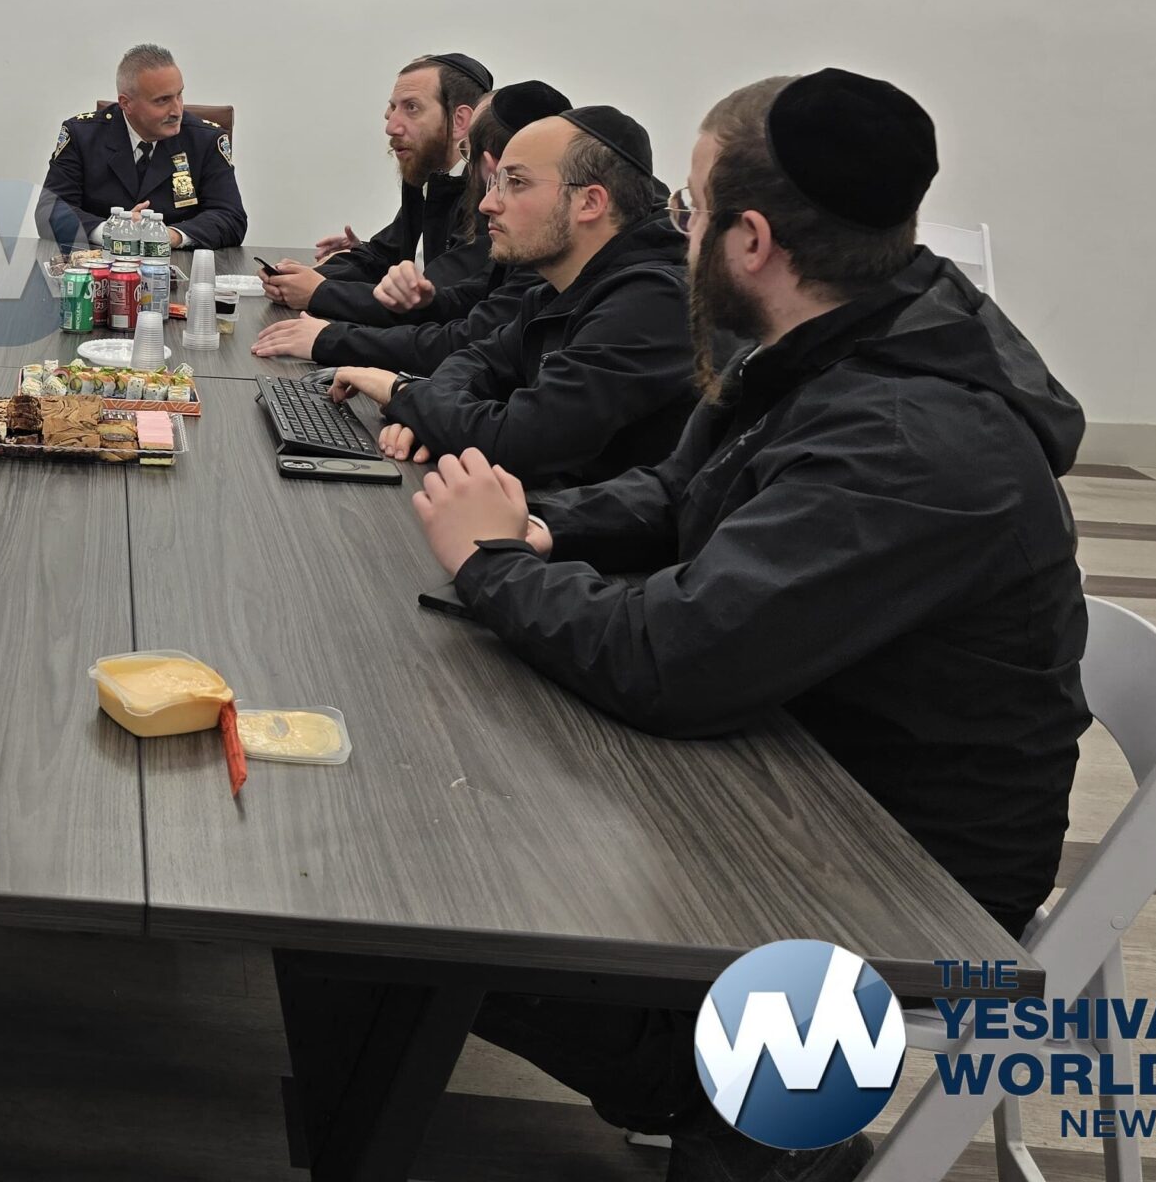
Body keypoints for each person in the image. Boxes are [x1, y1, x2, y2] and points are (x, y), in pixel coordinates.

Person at [410, 69, 1088, 1182]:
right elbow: (681, 494)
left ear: (753, 241)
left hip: (881, 871)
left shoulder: (909, 438)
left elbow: (673, 658)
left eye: (691, 208)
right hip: (793, 758)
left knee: (413, 911)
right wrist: (538, 526)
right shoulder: (838, 341)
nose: (677, 234)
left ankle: (752, 1126)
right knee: (437, 831)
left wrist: (493, 567)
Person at [332, 105, 695, 488]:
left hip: (576, 524)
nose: (487, 204)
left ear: (590, 202)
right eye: (496, 183)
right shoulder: (556, 289)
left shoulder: (653, 302)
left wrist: (401, 393)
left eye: (516, 183)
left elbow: (525, 439)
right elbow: (479, 360)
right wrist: (426, 413)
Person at [255, 79, 569, 367]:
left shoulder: (543, 256)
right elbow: (461, 303)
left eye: (514, 181)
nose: (391, 126)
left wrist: (329, 319)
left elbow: (465, 342)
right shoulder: (430, 183)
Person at [264, 52, 488, 318]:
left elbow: (433, 299)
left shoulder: (488, 198)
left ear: (460, 121)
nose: (391, 127)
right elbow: (382, 256)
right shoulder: (427, 177)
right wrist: (304, 277)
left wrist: (319, 292)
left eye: (411, 108)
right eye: (393, 109)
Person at [37, 43, 248, 251]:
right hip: (100, 264)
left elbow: (230, 217)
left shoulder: (205, 140)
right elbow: (50, 211)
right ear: (126, 103)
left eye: (179, 95)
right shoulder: (82, 136)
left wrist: (170, 236)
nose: (177, 111)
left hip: (178, 264)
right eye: (162, 100)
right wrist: (111, 231)